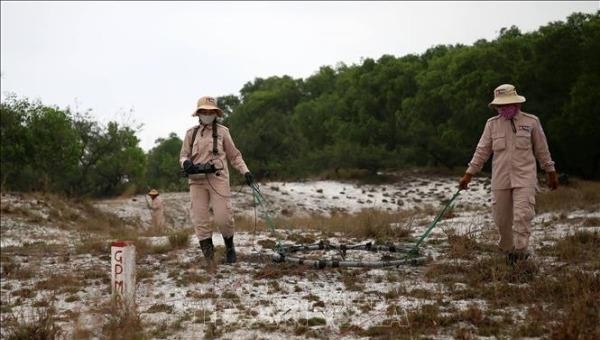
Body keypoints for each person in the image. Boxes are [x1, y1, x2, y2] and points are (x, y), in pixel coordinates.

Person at [458, 84, 558, 264]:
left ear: (517, 103)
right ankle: (507, 250)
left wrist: (550, 172)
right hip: (500, 177)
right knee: (501, 218)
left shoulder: (531, 122)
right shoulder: (492, 125)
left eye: (507, 104)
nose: (504, 108)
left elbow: (542, 150)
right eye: (500, 106)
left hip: (525, 176)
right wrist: (469, 174)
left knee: (522, 215)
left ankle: (520, 252)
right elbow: (482, 151)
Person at [179, 96, 254, 268]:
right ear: (198, 113)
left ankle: (230, 248)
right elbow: (183, 155)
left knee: (223, 216)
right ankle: (209, 256)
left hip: (218, 178)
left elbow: (234, 155)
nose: (207, 114)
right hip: (196, 181)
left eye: (210, 111)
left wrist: (246, 171)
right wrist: (186, 163)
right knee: (199, 218)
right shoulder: (191, 134)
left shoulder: (223, 132)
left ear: (215, 113)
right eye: (203, 111)